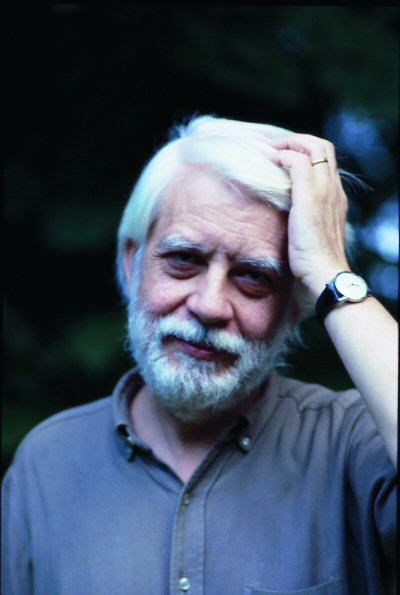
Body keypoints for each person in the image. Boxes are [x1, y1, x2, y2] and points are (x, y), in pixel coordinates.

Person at [2, 115, 397, 595]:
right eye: (184, 259)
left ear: (296, 308)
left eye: (253, 277)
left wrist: (330, 274)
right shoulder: (46, 462)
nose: (209, 306)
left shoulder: (355, 444)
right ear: (130, 262)